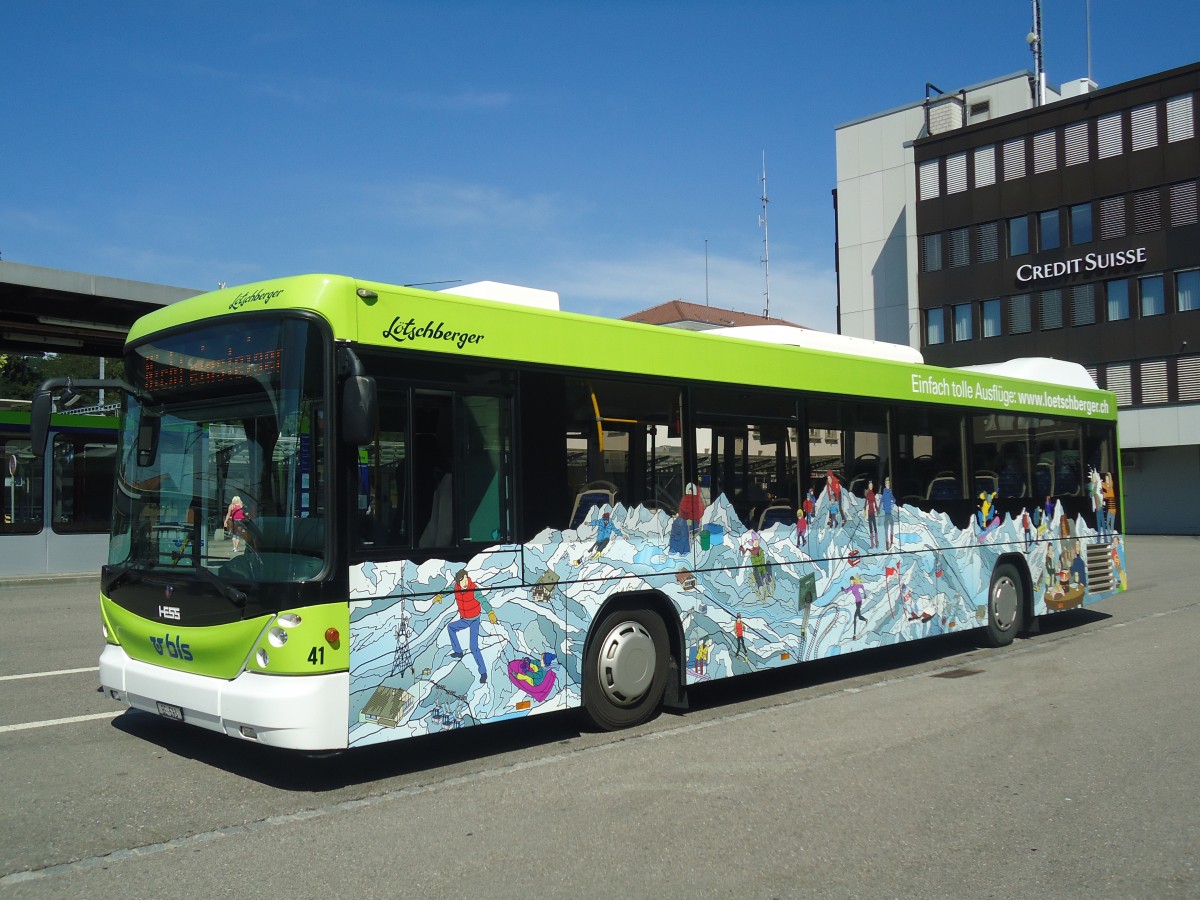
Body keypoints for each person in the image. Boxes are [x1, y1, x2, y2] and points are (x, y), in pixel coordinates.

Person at [438, 568, 496, 684]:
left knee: (473, 647)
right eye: (461, 581)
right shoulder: (456, 587)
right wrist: (440, 595)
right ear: (458, 582)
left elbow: (483, 601)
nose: (464, 582)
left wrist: (490, 612)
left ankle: (483, 673)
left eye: (465, 579)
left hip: (474, 619)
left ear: (467, 578)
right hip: (464, 619)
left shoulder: (474, 589)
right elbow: (448, 590)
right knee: (451, 628)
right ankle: (458, 651)